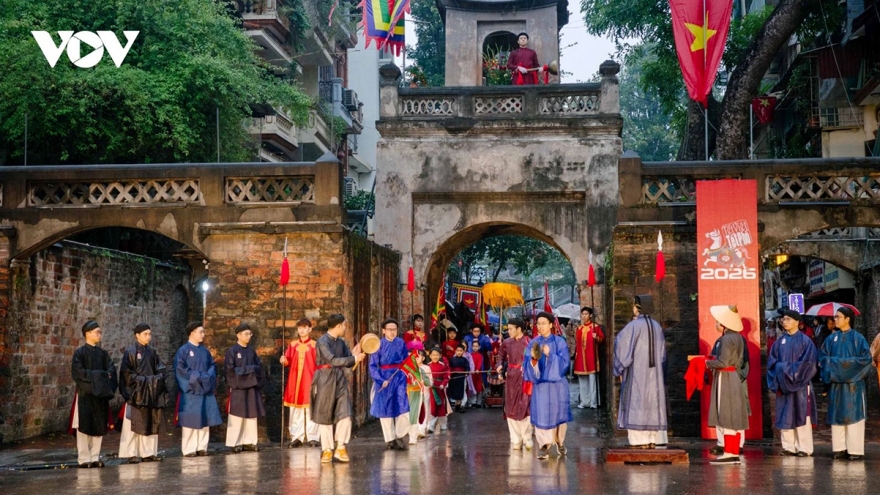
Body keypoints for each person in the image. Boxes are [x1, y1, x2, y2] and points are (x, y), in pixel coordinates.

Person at [613, 295, 667, 450]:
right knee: (652, 402)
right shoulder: (657, 326)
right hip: (654, 375)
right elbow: (663, 355)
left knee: (636, 400)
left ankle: (638, 440)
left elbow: (621, 347)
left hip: (636, 373)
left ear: (637, 307)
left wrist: (619, 367)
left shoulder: (633, 326)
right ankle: (652, 438)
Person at [819, 307, 873, 461]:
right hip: (836, 385)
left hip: (853, 385)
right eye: (835, 317)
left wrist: (838, 366)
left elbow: (865, 360)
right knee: (837, 414)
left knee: (854, 414)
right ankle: (839, 448)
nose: (835, 319)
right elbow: (823, 358)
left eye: (838, 317)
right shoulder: (831, 339)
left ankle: (855, 449)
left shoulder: (858, 338)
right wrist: (836, 366)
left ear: (848, 319)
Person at [311, 314, 365, 463]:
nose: (345, 327)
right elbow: (333, 360)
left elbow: (347, 361)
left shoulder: (340, 342)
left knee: (345, 413)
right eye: (344, 325)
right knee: (325, 414)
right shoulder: (322, 342)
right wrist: (353, 358)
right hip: (325, 378)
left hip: (340, 379)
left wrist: (355, 354)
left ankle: (340, 446)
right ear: (339, 325)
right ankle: (327, 449)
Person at [767, 309, 818, 457]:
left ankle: (804, 447)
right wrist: (782, 372)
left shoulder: (805, 341)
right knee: (785, 414)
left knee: (803, 414)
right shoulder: (779, 342)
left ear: (797, 322)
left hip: (801, 384)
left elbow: (809, 363)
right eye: (784, 319)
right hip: (783, 385)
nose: (785, 322)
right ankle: (789, 446)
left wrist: (787, 371)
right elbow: (772, 362)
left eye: (788, 319)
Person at [705, 305, 750, 465]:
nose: (716, 325)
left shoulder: (725, 339)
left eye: (718, 322)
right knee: (733, 414)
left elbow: (722, 362)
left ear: (723, 324)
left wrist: (705, 363)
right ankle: (733, 451)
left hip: (725, 376)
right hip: (733, 376)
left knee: (725, 413)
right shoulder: (738, 338)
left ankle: (730, 453)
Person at [523, 311, 571, 460]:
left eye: (544, 323)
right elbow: (526, 364)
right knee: (542, 415)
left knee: (558, 415)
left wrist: (550, 355)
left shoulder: (559, 342)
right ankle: (544, 446)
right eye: (539, 324)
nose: (541, 327)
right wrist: (533, 360)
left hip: (557, 386)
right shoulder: (532, 343)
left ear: (551, 325)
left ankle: (560, 441)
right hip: (542, 386)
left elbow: (565, 364)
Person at [70, 320, 118, 468]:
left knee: (99, 425)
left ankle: (95, 456)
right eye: (97, 332)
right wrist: (99, 378)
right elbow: (78, 374)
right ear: (88, 333)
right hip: (85, 394)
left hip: (100, 395)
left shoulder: (103, 354)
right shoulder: (79, 354)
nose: (99, 335)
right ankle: (84, 458)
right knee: (84, 426)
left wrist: (99, 380)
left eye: (100, 332)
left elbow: (111, 373)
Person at [118, 323, 167, 464]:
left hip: (151, 393)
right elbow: (127, 375)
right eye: (145, 334)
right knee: (134, 423)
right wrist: (144, 382)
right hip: (137, 394)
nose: (148, 337)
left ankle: (149, 453)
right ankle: (130, 453)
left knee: (150, 422)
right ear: (137, 335)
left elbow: (161, 370)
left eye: (149, 334)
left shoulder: (152, 352)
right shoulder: (131, 352)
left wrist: (154, 381)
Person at [175, 321, 222, 457]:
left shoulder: (205, 351)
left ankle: (202, 446)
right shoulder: (183, 351)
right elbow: (180, 370)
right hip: (191, 390)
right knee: (190, 418)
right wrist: (197, 377)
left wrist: (206, 377)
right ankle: (189, 448)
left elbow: (212, 366)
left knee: (204, 418)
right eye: (200, 331)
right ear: (192, 333)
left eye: (203, 331)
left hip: (205, 388)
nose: (203, 334)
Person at [369, 318, 411, 450]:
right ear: (383, 330)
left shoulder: (401, 342)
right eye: (389, 330)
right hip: (384, 379)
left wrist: (406, 374)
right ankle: (390, 439)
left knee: (402, 406)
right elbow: (373, 366)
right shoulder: (377, 345)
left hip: (399, 377)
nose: (392, 332)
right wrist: (381, 379)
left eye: (394, 330)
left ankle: (400, 435)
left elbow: (406, 361)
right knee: (385, 409)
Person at [225, 323, 265, 453]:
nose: (249, 336)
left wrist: (247, 372)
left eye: (250, 334)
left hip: (251, 387)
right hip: (238, 388)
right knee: (237, 416)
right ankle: (235, 442)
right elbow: (230, 371)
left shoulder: (251, 351)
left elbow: (259, 367)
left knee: (251, 415)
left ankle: (250, 441)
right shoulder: (232, 351)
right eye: (246, 334)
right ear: (238, 335)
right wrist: (249, 371)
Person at [281, 318, 320, 448]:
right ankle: (296, 436)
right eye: (300, 328)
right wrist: (284, 360)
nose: (302, 330)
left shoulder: (315, 345)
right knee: (295, 410)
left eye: (304, 327)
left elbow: (319, 364)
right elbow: (288, 361)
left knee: (311, 409)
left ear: (310, 329)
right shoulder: (293, 345)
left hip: (310, 380)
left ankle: (313, 436)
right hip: (295, 381)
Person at [497, 317, 533, 451]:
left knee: (525, 406)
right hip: (511, 376)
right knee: (510, 406)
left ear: (519, 329)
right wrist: (500, 366)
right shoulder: (506, 342)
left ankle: (527, 436)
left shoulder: (529, 342)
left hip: (526, 376)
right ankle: (515, 438)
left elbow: (536, 358)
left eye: (511, 328)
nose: (509, 331)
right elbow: (500, 356)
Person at [574, 307, 605, 409]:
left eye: (586, 314)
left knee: (593, 382)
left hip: (591, 357)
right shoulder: (579, 329)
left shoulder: (595, 327)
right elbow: (577, 345)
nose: (584, 316)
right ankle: (584, 401)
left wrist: (597, 337)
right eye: (582, 314)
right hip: (581, 358)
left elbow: (601, 339)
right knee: (583, 382)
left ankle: (594, 402)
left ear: (590, 315)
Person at [402, 342, 427, 445]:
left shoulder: (420, 370)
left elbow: (428, 382)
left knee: (414, 416)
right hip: (404, 394)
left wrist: (422, 379)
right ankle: (407, 435)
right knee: (405, 416)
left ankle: (413, 437)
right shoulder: (403, 370)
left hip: (416, 394)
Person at [426, 347, 451, 432]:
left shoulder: (443, 366)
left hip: (440, 389)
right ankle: (430, 426)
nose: (435, 357)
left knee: (441, 407)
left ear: (440, 355)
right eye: (433, 355)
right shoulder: (427, 366)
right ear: (430, 356)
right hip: (431, 388)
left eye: (437, 355)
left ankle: (443, 425)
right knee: (432, 407)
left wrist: (443, 385)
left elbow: (446, 377)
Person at [448, 345, 471, 413]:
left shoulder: (465, 360)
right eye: (458, 350)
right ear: (455, 351)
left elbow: (467, 367)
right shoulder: (452, 359)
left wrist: (466, 372)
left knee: (462, 390)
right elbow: (449, 368)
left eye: (461, 351)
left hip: (462, 377)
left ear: (463, 351)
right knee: (454, 390)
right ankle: (456, 404)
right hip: (454, 377)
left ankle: (462, 405)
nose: (459, 352)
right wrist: (450, 373)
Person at [467, 340, 486, 408]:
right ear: (471, 347)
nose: (475, 347)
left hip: (478, 373)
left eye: (476, 346)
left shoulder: (480, 355)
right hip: (471, 374)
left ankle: (479, 402)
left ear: (479, 347)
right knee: (472, 387)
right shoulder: (470, 355)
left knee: (479, 387)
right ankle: (473, 402)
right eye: (474, 346)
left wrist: (477, 369)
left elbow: (480, 363)